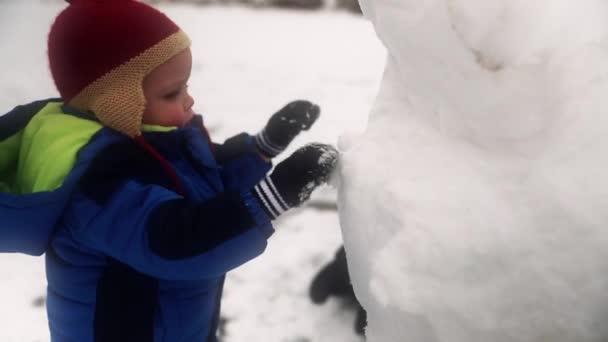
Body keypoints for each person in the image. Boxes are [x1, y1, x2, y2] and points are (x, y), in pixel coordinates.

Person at [0, 0, 338, 341]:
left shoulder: (150, 140)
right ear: (118, 102)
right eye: (173, 92)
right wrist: (274, 197)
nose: (189, 100)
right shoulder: (97, 187)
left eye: (186, 86)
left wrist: (264, 146)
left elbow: (206, 180)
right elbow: (176, 241)